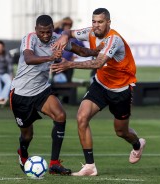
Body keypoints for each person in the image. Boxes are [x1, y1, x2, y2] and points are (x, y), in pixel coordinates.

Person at [51, 8, 146, 176]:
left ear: (108, 22)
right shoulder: (90, 32)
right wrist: (65, 36)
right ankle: (90, 166)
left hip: (120, 89)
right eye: (94, 21)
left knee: (121, 131)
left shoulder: (113, 40)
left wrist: (69, 64)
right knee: (81, 117)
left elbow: (98, 63)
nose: (96, 25)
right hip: (100, 85)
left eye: (100, 22)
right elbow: (68, 31)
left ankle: (138, 144)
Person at [10, 14, 101, 175]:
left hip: (41, 90)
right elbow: (29, 58)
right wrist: (51, 57)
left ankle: (54, 163)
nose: (45, 36)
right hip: (21, 93)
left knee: (60, 115)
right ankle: (22, 153)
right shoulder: (29, 38)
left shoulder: (57, 39)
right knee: (27, 135)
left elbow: (79, 50)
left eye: (48, 32)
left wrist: (97, 51)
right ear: (36, 30)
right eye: (41, 32)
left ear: (53, 29)